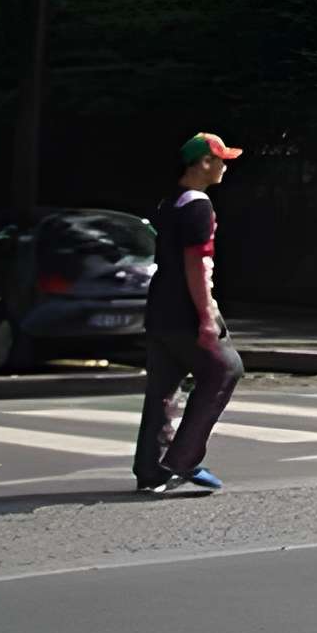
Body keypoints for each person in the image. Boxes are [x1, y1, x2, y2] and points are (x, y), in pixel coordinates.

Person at [133, 132, 243, 494]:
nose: (225, 166)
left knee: (163, 387)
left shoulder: (170, 202)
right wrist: (207, 316)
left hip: (160, 307)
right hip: (185, 309)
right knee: (225, 369)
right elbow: (197, 263)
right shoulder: (199, 205)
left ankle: (151, 469)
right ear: (203, 164)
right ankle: (184, 458)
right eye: (221, 159)